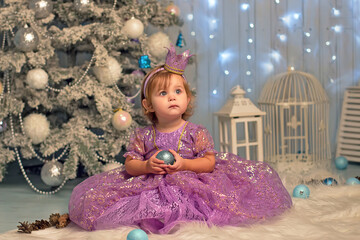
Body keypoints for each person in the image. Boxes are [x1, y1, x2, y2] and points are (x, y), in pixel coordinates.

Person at [68, 45, 292, 234]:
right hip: (153, 181)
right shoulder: (143, 135)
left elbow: (209, 163)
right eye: (163, 94)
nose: (172, 97)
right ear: (148, 105)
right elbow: (130, 165)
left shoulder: (196, 132)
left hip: (191, 179)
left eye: (178, 91)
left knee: (207, 199)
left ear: (187, 98)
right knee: (127, 200)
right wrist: (146, 165)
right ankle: (155, 218)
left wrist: (184, 165)